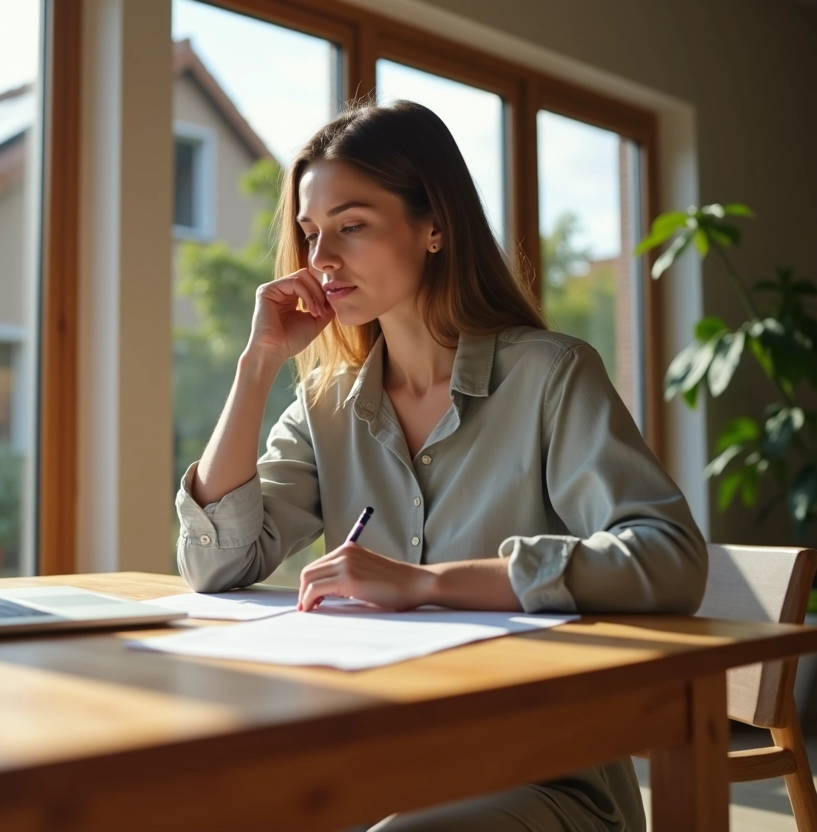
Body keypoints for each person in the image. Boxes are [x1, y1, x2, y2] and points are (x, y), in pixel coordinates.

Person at [174, 100, 707, 831]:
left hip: (543, 779)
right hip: (375, 767)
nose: (321, 259)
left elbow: (671, 558)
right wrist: (258, 363)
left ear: (435, 227)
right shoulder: (328, 402)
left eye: (351, 226)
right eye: (309, 233)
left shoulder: (551, 375)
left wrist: (426, 585)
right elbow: (216, 565)